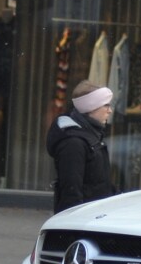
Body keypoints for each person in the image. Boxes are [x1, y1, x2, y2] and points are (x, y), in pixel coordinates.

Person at [47, 80, 116, 213]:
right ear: (91, 107)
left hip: (95, 216)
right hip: (84, 221)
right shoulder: (73, 143)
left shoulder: (92, 135)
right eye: (106, 105)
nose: (110, 111)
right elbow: (71, 192)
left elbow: (100, 184)